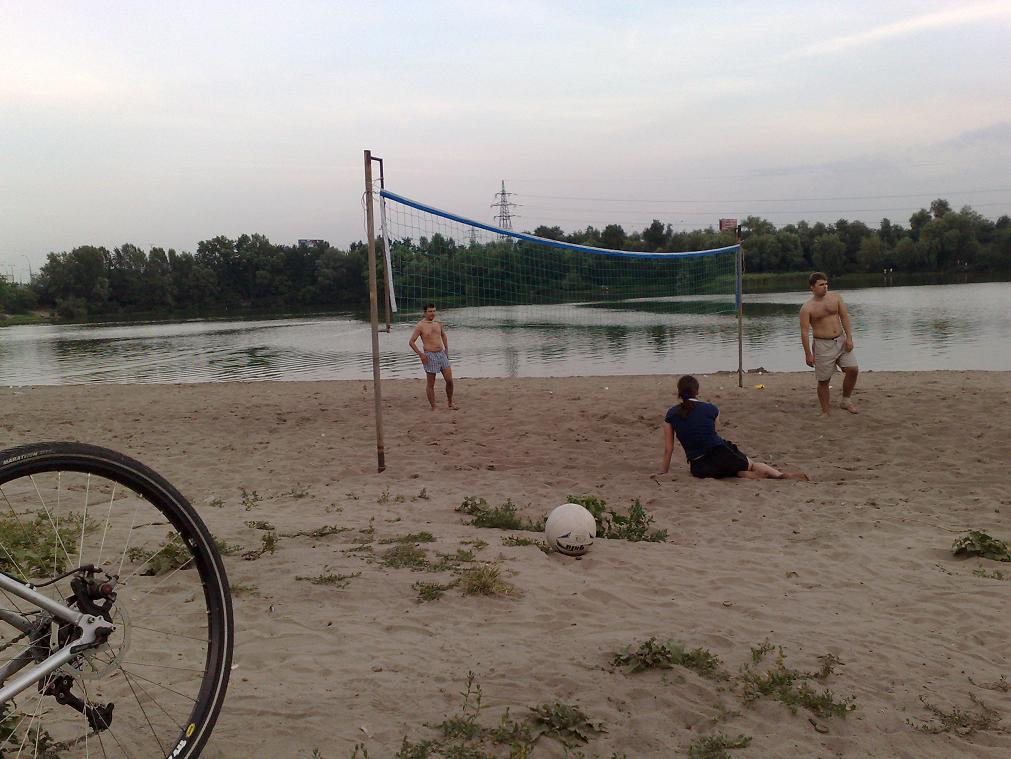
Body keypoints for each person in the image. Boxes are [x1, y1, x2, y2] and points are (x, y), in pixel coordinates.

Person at [655, 375, 807, 480]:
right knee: (752, 465)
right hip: (721, 454)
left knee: (725, 471)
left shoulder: (671, 414)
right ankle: (779, 475)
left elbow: (669, 449)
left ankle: (739, 474)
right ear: (697, 391)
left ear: (679, 392)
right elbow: (715, 432)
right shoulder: (711, 409)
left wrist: (663, 471)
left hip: (699, 467)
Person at [799, 272, 859, 415]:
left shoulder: (836, 297)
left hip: (840, 340)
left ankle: (846, 400)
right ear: (812, 287)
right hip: (822, 345)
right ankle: (825, 411)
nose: (825, 287)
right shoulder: (807, 308)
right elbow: (804, 332)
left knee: (853, 369)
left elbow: (844, 317)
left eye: (826, 284)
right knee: (824, 380)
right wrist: (808, 354)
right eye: (821, 285)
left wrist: (849, 338)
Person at [408, 303, 457, 410]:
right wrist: (421, 355)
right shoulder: (420, 325)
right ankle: (434, 406)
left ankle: (450, 402)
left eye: (434, 311)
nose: (432, 313)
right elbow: (411, 342)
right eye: (430, 311)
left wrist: (446, 349)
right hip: (429, 355)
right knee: (431, 383)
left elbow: (443, 335)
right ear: (425, 312)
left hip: (441, 354)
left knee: (449, 380)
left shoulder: (438, 323)